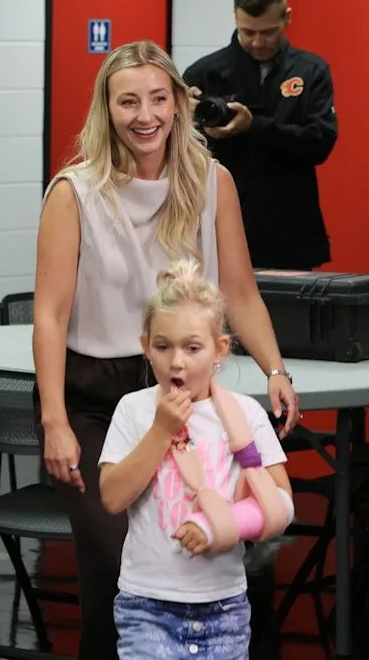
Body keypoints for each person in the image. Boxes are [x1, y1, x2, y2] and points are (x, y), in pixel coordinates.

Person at [32, 40, 299, 659]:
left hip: (181, 387)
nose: (143, 115)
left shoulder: (213, 182)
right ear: (107, 109)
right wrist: (53, 420)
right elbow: (50, 314)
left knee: (201, 544)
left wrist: (274, 368)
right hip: (93, 396)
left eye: (157, 98)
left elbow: (240, 292)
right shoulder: (74, 192)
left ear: (179, 104)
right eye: (128, 101)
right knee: (112, 560)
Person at [99, 259, 293, 657]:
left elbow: (280, 504)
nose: (177, 363)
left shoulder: (245, 415)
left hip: (224, 607)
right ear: (144, 346)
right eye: (163, 346)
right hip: (146, 605)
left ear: (219, 349)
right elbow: (113, 498)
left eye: (192, 348)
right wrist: (160, 431)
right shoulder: (133, 411)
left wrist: (215, 525)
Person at [183, 0, 337, 270]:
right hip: (218, 225)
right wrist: (183, 120)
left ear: (287, 17)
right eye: (247, 32)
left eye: (267, 32)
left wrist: (253, 126)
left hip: (290, 230)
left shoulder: (312, 71)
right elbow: (177, 153)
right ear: (235, 19)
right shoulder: (203, 73)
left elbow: (320, 142)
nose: (256, 42)